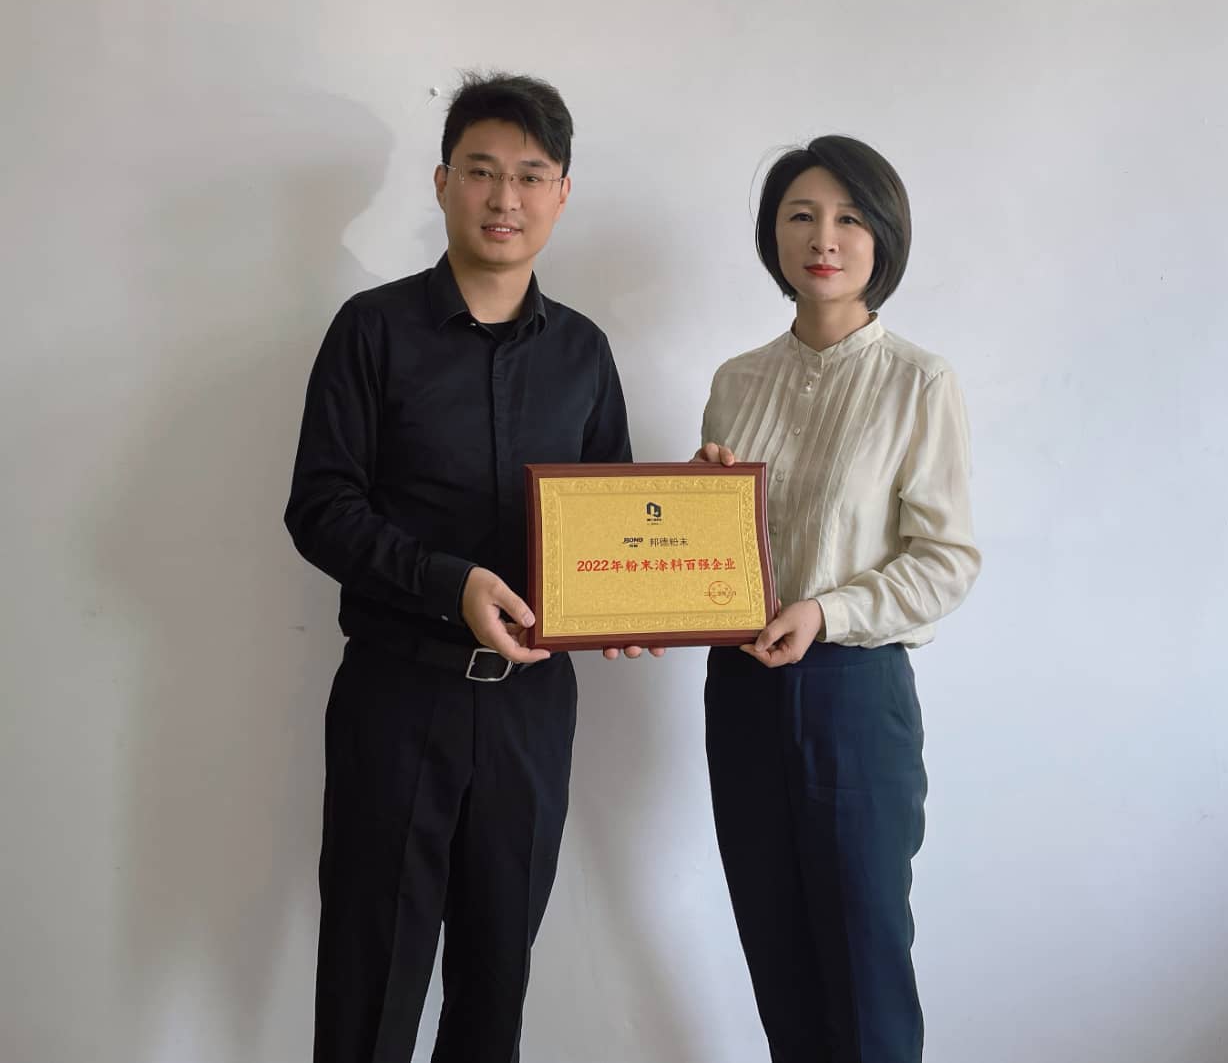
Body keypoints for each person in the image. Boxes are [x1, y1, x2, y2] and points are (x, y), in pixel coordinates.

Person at [284, 72, 633, 1063]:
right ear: (442, 183)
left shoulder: (584, 353)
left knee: (494, 986)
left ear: (562, 193)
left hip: (530, 710)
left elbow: (612, 521)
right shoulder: (371, 330)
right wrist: (453, 584)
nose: (503, 197)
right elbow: (320, 509)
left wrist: (651, 579)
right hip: (398, 696)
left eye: (530, 175)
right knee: (370, 985)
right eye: (481, 171)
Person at [695, 135, 981, 1063]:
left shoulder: (919, 382)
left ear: (883, 236)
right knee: (779, 967)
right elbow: (712, 552)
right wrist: (693, 512)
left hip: (854, 695)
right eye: (802, 216)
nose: (824, 238)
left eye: (850, 218)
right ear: (772, 235)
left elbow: (946, 560)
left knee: (864, 981)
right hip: (740, 691)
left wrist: (826, 612)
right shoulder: (736, 384)